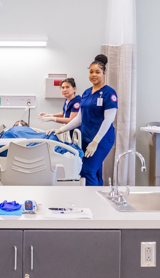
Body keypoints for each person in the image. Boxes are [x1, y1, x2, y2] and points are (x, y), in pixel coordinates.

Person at [50, 55, 117, 186]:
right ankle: (99, 200)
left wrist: (96, 141)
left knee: (87, 171)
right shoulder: (86, 93)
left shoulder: (109, 93)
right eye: (91, 72)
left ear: (104, 73)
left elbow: (109, 119)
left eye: (97, 72)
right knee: (95, 171)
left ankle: (91, 202)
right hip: (86, 138)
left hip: (102, 139)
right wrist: (61, 130)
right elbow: (79, 118)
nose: (94, 75)